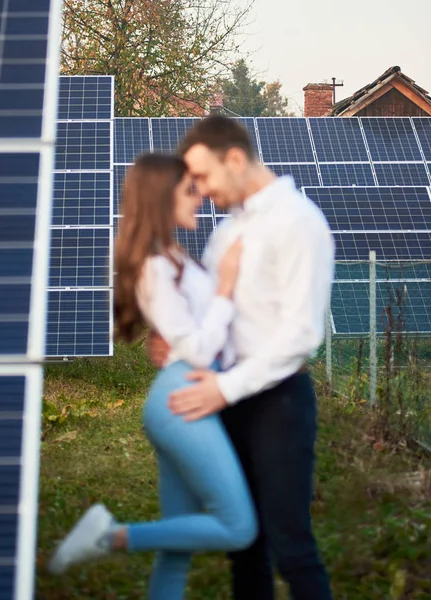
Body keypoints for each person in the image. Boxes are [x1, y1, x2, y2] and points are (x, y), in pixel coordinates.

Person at [48, 153, 257, 599]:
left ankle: (116, 539)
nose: (199, 197)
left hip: (183, 394)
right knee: (238, 526)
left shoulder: (175, 257)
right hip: (182, 402)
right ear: (163, 199)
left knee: (175, 549)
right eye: (188, 190)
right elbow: (198, 349)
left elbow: (196, 335)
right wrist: (224, 288)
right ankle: (111, 536)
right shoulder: (154, 267)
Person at [149, 115, 335, 600]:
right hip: (225, 398)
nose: (201, 190)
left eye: (204, 176)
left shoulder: (298, 222)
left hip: (278, 403)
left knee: (292, 546)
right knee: (245, 545)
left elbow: (301, 333)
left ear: (235, 159)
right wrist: (176, 335)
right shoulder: (226, 232)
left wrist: (223, 388)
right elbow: (216, 307)